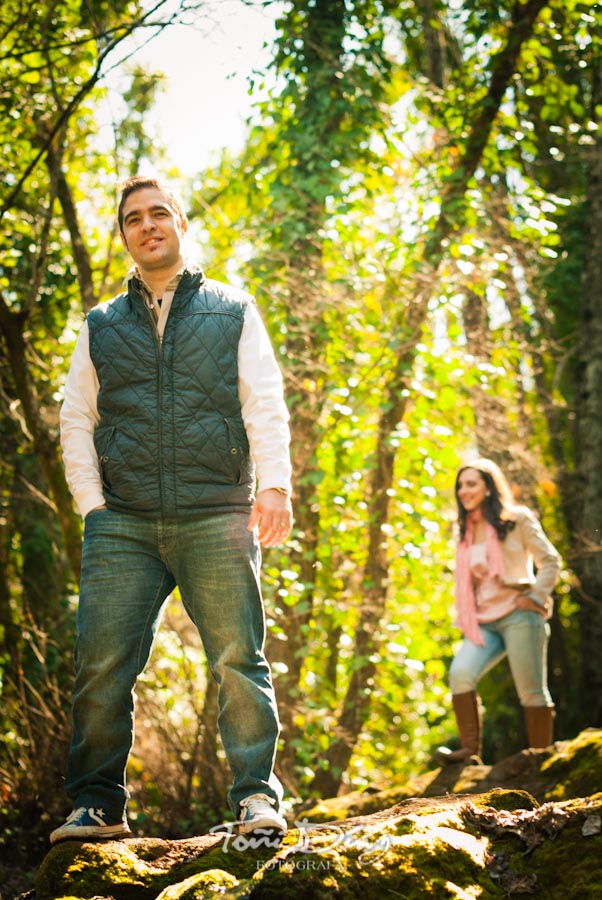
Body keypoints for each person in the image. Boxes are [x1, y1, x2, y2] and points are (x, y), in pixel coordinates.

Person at [51, 175, 293, 844]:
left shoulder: (231, 308)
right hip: (122, 523)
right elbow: (77, 418)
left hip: (216, 511)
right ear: (124, 235)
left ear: (182, 224)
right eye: (134, 218)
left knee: (238, 659)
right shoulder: (101, 324)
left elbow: (263, 400)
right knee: (101, 666)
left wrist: (274, 483)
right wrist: (94, 507)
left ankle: (255, 799)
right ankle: (98, 805)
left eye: (160, 213)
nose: (148, 224)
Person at [436, 458, 561, 766]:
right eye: (460, 486)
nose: (464, 491)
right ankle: (469, 752)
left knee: (531, 692)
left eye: (471, 484)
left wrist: (534, 594)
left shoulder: (516, 519)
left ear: (489, 487)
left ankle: (541, 759)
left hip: (520, 615)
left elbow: (551, 561)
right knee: (461, 674)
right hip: (484, 622)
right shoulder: (466, 530)